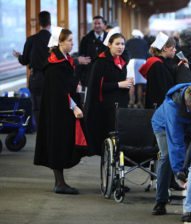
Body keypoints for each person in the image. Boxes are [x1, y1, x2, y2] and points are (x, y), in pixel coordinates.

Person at [34, 28, 86, 194]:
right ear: (60, 42)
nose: (72, 43)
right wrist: (74, 106)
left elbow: (66, 85)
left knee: (61, 143)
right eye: (70, 40)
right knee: (58, 144)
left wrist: (75, 86)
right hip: (59, 111)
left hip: (62, 109)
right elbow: (59, 91)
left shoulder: (63, 60)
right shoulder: (55, 65)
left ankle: (60, 182)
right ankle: (59, 183)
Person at [150, 83, 191, 215]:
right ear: (187, 103)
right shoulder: (173, 108)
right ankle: (160, 201)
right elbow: (176, 142)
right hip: (163, 126)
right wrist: (179, 172)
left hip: (190, 124)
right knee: (167, 157)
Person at [84, 32, 133, 156]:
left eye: (122, 44)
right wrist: (119, 84)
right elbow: (96, 87)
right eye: (117, 44)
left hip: (119, 103)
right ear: (109, 45)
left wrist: (127, 84)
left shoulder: (122, 62)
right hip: (104, 106)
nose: (120, 47)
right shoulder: (100, 62)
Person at [12, 11, 51, 126]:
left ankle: (40, 134)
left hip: (36, 78)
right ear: (50, 22)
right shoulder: (55, 41)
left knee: (37, 108)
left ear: (39, 23)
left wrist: (19, 56)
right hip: (52, 77)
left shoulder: (32, 40)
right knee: (51, 106)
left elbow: (24, 61)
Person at [138, 32, 185, 109]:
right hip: (158, 106)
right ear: (165, 48)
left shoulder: (160, 62)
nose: (175, 50)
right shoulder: (157, 64)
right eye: (173, 47)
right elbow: (162, 89)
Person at [78, 16, 108, 88]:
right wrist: (79, 77)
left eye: (99, 23)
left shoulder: (109, 37)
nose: (97, 25)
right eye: (95, 23)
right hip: (90, 72)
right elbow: (81, 56)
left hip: (106, 72)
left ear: (103, 25)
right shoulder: (86, 39)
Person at [126, 29, 150, 108]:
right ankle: (139, 102)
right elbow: (147, 53)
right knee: (140, 84)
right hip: (142, 61)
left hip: (132, 61)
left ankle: (131, 101)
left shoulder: (129, 41)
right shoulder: (144, 42)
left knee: (131, 83)